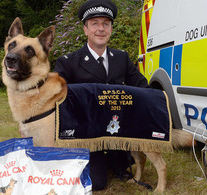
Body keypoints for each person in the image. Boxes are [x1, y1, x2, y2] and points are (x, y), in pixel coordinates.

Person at [54, 0, 149, 191]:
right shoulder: (68, 63)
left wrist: (157, 107)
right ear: (85, 29)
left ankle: (116, 160)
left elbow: (142, 87)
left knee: (121, 170)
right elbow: (57, 99)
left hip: (117, 133)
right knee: (97, 183)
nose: (101, 29)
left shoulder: (121, 58)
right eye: (95, 23)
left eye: (106, 23)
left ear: (111, 28)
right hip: (87, 137)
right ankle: (94, 161)